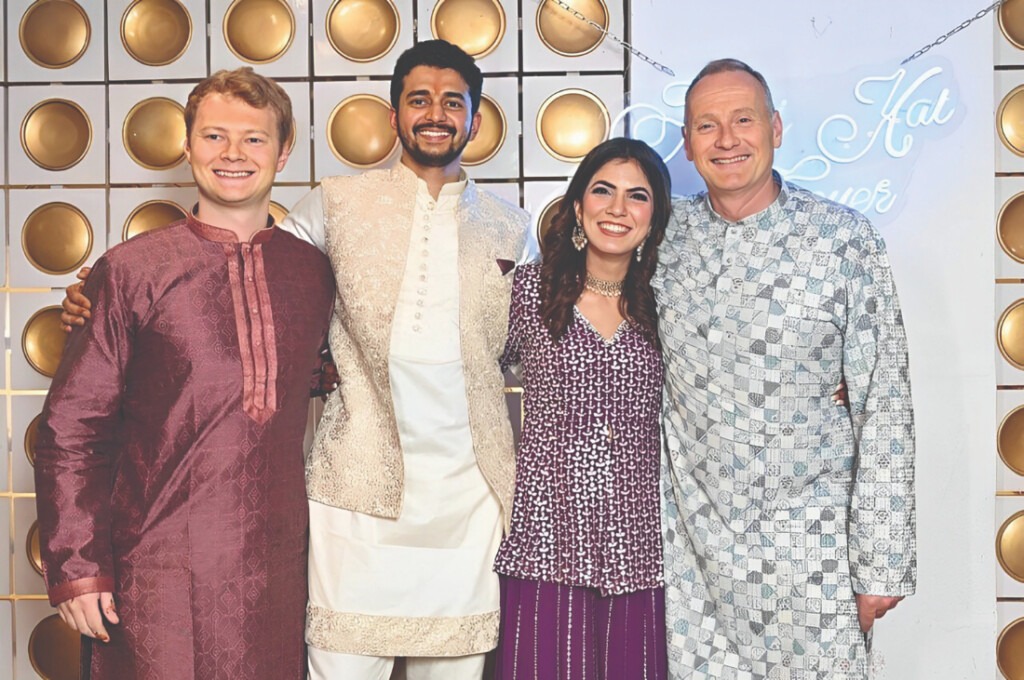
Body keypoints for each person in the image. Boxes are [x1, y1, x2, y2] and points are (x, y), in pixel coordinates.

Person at [35, 68, 334, 679]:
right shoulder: (131, 270)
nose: (232, 155)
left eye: (253, 139)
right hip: (155, 573)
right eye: (214, 136)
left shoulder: (315, 274)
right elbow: (72, 429)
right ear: (188, 146)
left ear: (283, 150)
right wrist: (77, 568)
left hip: (278, 575)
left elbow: (337, 375)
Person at [656, 58, 916, 679]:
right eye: (706, 126)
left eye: (743, 120)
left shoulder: (844, 239)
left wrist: (881, 563)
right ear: (688, 147)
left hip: (812, 550)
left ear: (775, 128)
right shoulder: (663, 237)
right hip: (694, 557)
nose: (726, 140)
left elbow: (885, 402)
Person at [494, 138, 671, 679]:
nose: (618, 209)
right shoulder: (526, 291)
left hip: (640, 550)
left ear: (654, 218)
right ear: (577, 206)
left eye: (637, 196)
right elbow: (464, 378)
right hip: (544, 542)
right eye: (603, 191)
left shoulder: (671, 306)